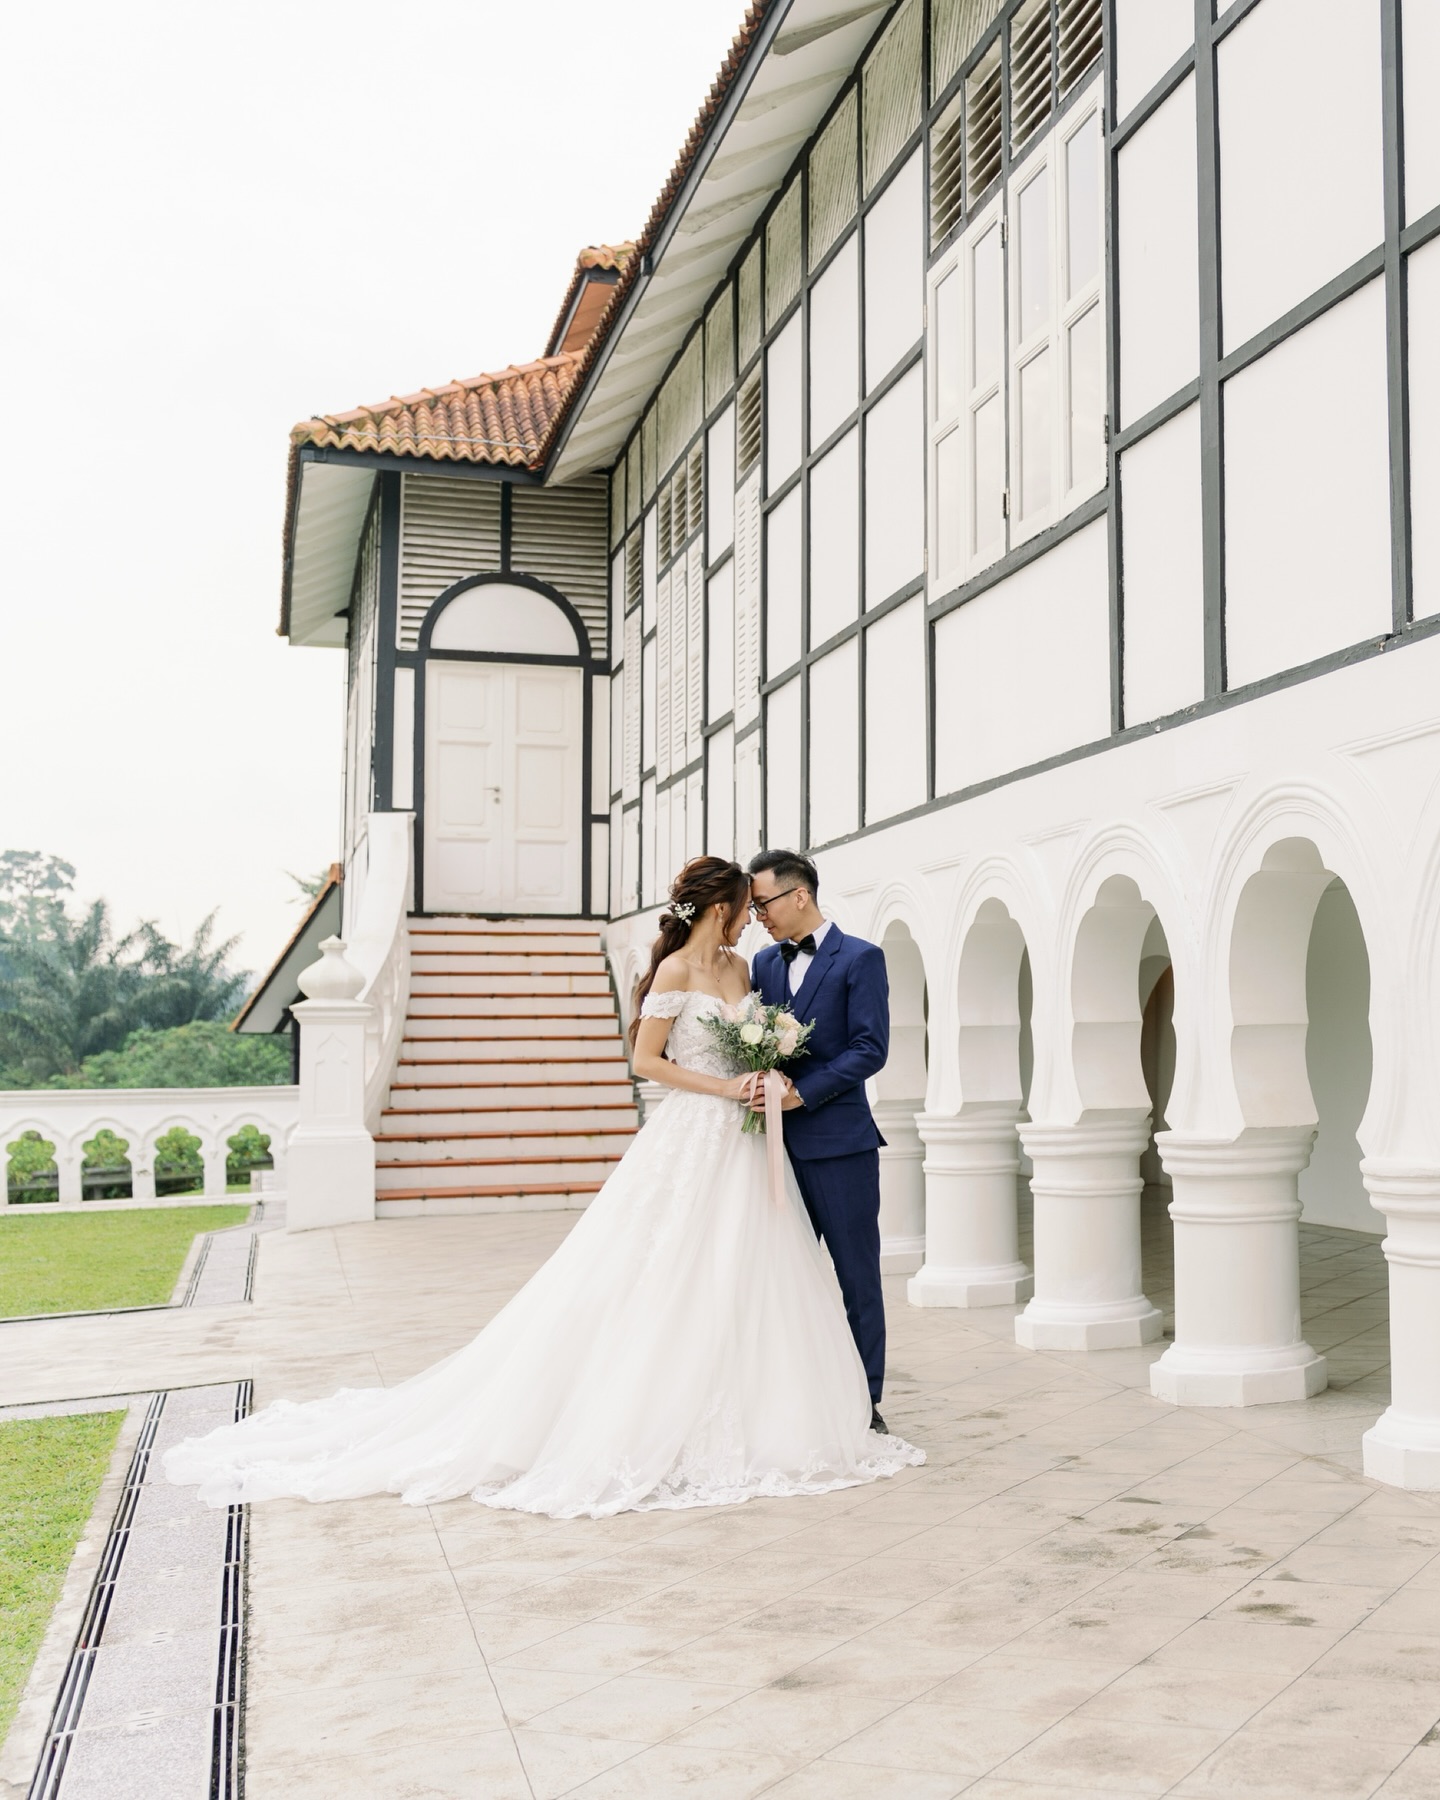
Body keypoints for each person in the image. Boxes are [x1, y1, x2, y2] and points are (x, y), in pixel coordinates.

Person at [164, 856, 921, 1519]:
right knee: (677, 1271)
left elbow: (849, 1045)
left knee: (773, 1273)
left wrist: (770, 1081)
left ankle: (830, 1406)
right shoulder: (683, 970)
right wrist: (730, 1090)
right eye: (744, 908)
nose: (753, 920)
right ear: (723, 909)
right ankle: (671, 1407)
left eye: (764, 906)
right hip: (700, 1133)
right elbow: (647, 1063)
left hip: (767, 1139)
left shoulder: (757, 968)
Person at [747, 850, 892, 1432]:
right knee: (785, 1275)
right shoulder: (762, 963)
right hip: (771, 1147)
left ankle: (865, 1401)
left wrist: (800, 1095)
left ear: (798, 895)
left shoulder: (861, 958)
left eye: (763, 903)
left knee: (856, 1275)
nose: (758, 915)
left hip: (840, 1144)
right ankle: (797, 1393)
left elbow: (869, 1049)